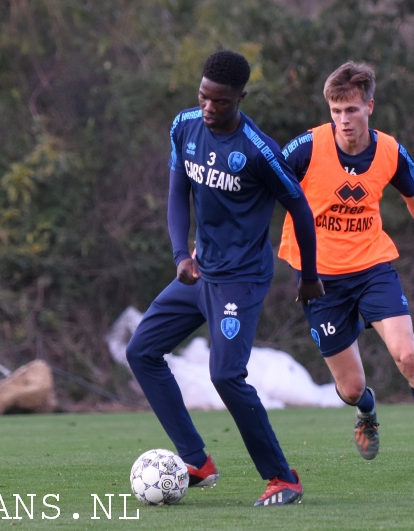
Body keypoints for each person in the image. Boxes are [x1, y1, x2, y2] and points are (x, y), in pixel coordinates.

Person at [125, 50, 325, 506]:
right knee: (141, 350)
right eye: (203, 97)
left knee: (226, 375)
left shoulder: (260, 151)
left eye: (220, 101)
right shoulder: (185, 126)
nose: (209, 108)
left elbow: (300, 208)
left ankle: (282, 478)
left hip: (241, 280)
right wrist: (181, 254)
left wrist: (309, 276)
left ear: (240, 97)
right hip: (199, 272)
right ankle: (196, 460)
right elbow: (178, 192)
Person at [278, 61, 414, 482]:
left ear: (369, 106)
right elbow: (261, 189)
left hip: (373, 267)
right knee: (351, 388)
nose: (343, 120)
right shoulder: (306, 148)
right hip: (318, 281)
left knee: (408, 356)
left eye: (351, 110)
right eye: (336, 111)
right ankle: (366, 410)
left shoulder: (390, 151)